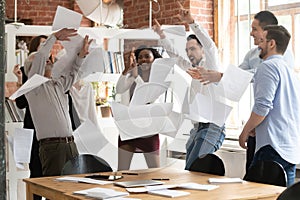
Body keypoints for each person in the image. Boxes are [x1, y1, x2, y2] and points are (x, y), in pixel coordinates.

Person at [185, 11, 295, 171]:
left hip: (273, 130)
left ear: (267, 34)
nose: (251, 33)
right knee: (253, 177)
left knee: (267, 184)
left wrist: (245, 130)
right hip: (258, 128)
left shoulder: (279, 57)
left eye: (255, 29)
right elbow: (238, 75)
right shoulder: (254, 54)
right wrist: (218, 77)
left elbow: (260, 79)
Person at [153, 1, 225, 170]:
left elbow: (210, 45)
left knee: (194, 169)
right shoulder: (194, 70)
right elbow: (175, 56)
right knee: (189, 169)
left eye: (193, 49)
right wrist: (161, 36)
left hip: (213, 127)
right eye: (188, 50)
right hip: (198, 127)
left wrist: (192, 23)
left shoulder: (211, 66)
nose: (189, 53)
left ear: (202, 50)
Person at [24, 28, 92, 176]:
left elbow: (74, 72)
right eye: (36, 61)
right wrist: (54, 37)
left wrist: (81, 55)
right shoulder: (32, 87)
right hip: (52, 146)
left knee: (72, 188)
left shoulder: (58, 85)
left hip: (70, 144)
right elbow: (41, 56)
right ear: (31, 69)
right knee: (54, 190)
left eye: (49, 58)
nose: (48, 59)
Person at [239, 25, 300, 186]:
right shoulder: (290, 72)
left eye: (261, 41)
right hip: (290, 149)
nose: (258, 45)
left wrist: (245, 131)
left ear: (271, 43)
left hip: (272, 147)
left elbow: (263, 107)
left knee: (251, 195)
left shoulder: (267, 67)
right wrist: (256, 126)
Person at [116, 46, 163, 170]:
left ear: (154, 60)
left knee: (155, 170)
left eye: (147, 56)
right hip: (128, 127)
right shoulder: (131, 77)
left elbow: (147, 97)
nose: (143, 59)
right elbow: (119, 89)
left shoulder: (159, 81)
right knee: (122, 171)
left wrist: (137, 77)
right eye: (140, 57)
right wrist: (126, 70)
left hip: (148, 130)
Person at [13, 35, 47, 200]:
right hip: (33, 124)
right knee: (36, 168)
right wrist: (20, 80)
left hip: (50, 126)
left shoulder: (51, 70)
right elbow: (21, 103)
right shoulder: (28, 67)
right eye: (42, 45)